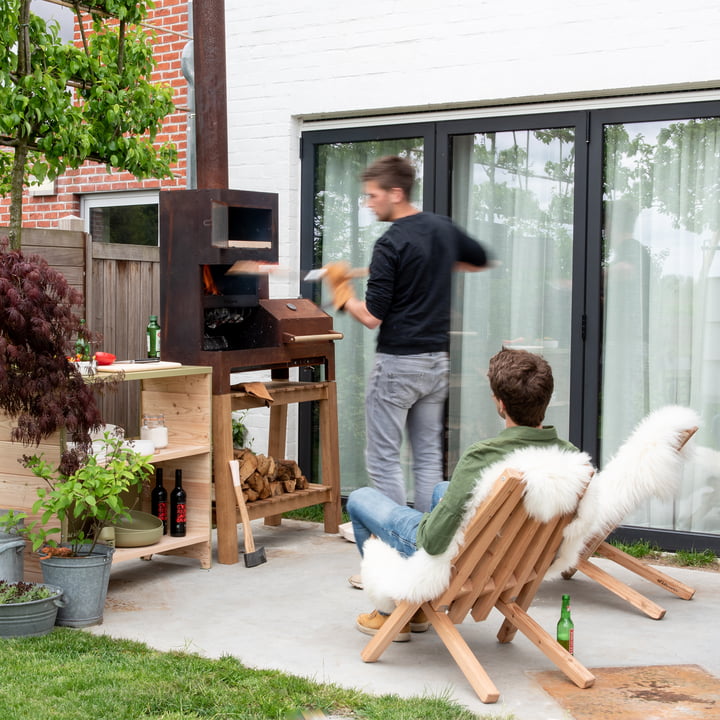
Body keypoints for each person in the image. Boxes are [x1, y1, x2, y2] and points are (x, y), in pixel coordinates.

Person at [346, 347, 577, 641]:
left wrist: (434, 518)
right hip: (515, 563)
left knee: (361, 499)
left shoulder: (482, 458)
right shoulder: (570, 458)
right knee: (443, 490)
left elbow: (431, 541)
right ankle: (416, 611)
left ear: (500, 404)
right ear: (546, 400)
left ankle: (391, 612)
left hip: (464, 565)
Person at [323, 155, 490, 521]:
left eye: (372, 196)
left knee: (383, 458)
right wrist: (438, 262)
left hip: (398, 365)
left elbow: (371, 316)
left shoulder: (390, 243)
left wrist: (342, 292)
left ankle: (396, 545)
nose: (368, 204)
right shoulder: (440, 229)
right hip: (435, 363)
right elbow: (480, 259)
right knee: (427, 455)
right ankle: (427, 542)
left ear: (395, 193)